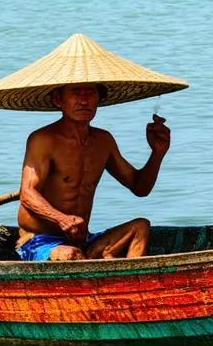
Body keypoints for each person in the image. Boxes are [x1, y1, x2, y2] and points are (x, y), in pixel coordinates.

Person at [16, 82, 171, 261]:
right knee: (71, 255)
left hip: (82, 240)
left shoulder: (103, 141)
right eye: (76, 93)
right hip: (39, 241)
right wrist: (61, 219)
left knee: (141, 227)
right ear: (58, 100)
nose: (84, 101)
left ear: (99, 99)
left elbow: (140, 187)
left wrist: (157, 153)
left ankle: (126, 281)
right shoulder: (42, 140)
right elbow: (27, 194)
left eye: (90, 93)